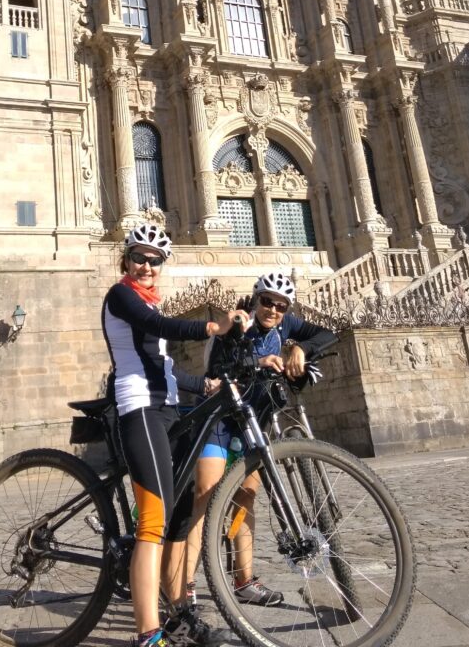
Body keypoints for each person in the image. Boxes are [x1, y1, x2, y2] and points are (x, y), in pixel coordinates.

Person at [102, 223, 247, 647]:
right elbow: (157, 325)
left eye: (155, 259)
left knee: (182, 518)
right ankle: (147, 634)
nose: (147, 265)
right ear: (127, 260)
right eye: (140, 257)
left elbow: (165, 366)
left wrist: (203, 385)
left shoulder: (149, 299)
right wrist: (211, 328)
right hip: (140, 409)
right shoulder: (122, 296)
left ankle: (179, 614)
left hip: (169, 409)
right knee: (153, 522)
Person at [184, 272, 335, 609]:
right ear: (255, 300)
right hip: (218, 421)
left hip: (251, 425)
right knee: (205, 501)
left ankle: (243, 579)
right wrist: (259, 361)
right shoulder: (237, 324)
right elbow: (218, 367)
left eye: (281, 306)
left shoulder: (285, 326)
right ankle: (184, 584)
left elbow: (329, 334)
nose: (273, 310)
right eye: (267, 302)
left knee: (246, 499)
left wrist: (300, 347)